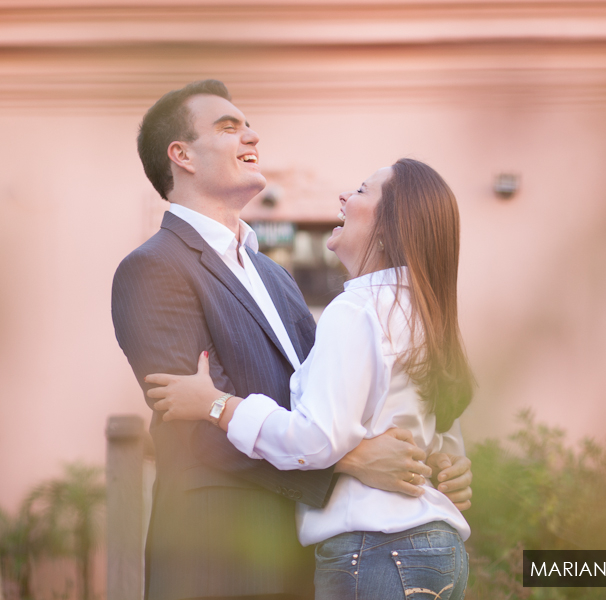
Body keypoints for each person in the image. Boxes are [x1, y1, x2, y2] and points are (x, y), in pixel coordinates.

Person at [111, 80, 472, 600]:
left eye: (248, 124)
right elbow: (192, 421)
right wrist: (353, 460)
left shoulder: (274, 276)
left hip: (310, 562)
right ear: (181, 155)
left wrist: (433, 459)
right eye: (229, 127)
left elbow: (331, 397)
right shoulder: (152, 269)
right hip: (218, 561)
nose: (251, 134)